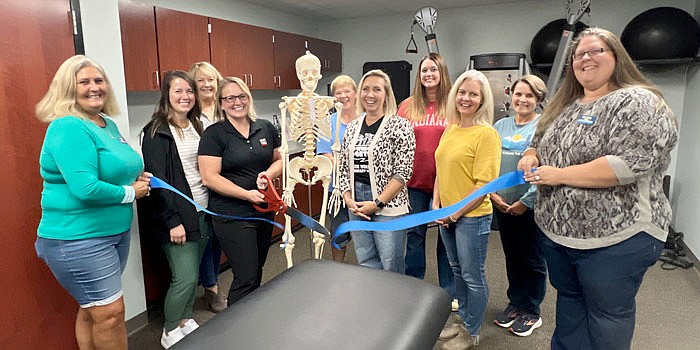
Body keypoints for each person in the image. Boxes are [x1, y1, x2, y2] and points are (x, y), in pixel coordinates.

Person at [517, 28, 678, 350]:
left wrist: (559, 174)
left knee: (607, 315)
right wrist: (530, 155)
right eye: (578, 55)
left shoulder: (638, 101)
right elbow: (537, 141)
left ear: (617, 57)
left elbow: (628, 165)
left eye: (596, 51)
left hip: (617, 238)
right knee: (570, 305)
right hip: (560, 235)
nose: (585, 58)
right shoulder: (564, 105)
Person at [34, 55, 150, 349]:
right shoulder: (68, 126)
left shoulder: (105, 124)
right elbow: (85, 187)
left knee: (94, 307)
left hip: (112, 232)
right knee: (110, 313)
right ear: (68, 88)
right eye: (84, 82)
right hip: (77, 237)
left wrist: (136, 176)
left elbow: (116, 167)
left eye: (98, 81)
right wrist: (130, 193)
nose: (94, 87)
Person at [141, 70, 212, 348]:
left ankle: (185, 319)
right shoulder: (156, 132)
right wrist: (172, 221)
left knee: (193, 273)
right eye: (178, 91)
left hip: (204, 210)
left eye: (189, 91)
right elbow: (157, 181)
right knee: (183, 277)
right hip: (177, 217)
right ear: (166, 95)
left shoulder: (197, 126)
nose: (185, 97)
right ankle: (170, 328)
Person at [198, 76, 282, 305]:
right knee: (245, 276)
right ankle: (234, 330)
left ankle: (251, 319)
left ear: (248, 98)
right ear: (221, 103)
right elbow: (209, 177)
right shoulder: (214, 134)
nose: (237, 102)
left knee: (256, 270)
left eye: (241, 96)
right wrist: (245, 194)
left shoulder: (264, 127)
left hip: (263, 211)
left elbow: (278, 160)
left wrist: (268, 174)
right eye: (230, 98)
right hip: (232, 214)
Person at [435, 70, 501, 349]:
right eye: (462, 93)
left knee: (473, 276)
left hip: (471, 217)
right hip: (447, 214)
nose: (466, 98)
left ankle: (472, 331)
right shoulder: (451, 127)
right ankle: (462, 319)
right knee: (456, 270)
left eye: (473, 94)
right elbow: (441, 168)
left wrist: (455, 213)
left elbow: (483, 185)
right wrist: (436, 204)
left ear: (483, 99)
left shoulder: (486, 134)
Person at [336, 69, 415, 273]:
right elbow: (343, 167)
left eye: (377, 90)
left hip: (388, 204)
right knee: (366, 259)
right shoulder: (353, 127)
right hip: (357, 202)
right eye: (366, 89)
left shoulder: (400, 125)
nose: (370, 95)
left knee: (390, 262)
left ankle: (394, 305)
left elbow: (403, 172)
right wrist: (348, 198)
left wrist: (378, 202)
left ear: (386, 95)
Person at [397, 53, 456, 309]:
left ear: (442, 73)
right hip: (414, 182)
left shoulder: (453, 104)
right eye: (424, 71)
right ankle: (413, 285)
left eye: (433, 70)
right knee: (415, 235)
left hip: (447, 182)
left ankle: (449, 292)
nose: (428, 74)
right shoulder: (407, 106)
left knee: (446, 235)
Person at [491, 75, 548, 337]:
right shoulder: (500, 126)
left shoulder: (543, 127)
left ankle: (531, 311)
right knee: (512, 256)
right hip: (502, 203)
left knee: (532, 258)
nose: (523, 100)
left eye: (529, 95)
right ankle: (516, 302)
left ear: (538, 99)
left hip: (529, 205)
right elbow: (490, 164)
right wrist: (494, 196)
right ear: (511, 97)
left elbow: (546, 169)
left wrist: (526, 202)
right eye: (518, 94)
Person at [187, 62, 227, 313]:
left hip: (226, 182)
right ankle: (211, 287)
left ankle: (212, 281)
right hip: (199, 184)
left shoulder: (224, 109)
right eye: (200, 80)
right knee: (205, 236)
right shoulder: (188, 115)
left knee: (219, 235)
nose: (207, 85)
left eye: (211, 79)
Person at [316, 74, 358, 262]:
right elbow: (326, 156)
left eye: (347, 90)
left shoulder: (367, 119)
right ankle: (337, 268)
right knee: (339, 234)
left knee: (370, 233)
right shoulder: (327, 123)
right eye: (338, 92)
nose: (343, 96)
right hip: (338, 190)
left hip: (366, 188)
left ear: (355, 93)